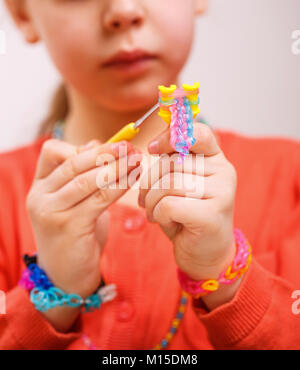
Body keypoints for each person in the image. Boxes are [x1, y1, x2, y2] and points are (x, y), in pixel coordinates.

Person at [0, 0, 300, 350]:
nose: (124, 10)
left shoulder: (290, 175)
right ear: (22, 13)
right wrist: (52, 291)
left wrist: (225, 275)